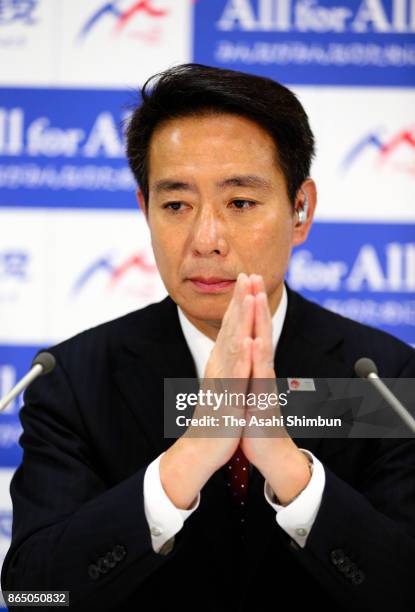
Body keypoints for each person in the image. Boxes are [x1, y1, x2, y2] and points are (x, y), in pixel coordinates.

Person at [1, 64, 415, 612]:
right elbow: (33, 596)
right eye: (176, 204)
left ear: (300, 211)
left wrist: (289, 470)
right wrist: (189, 458)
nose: (206, 239)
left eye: (240, 203)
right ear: (144, 208)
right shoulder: (75, 379)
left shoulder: (383, 380)